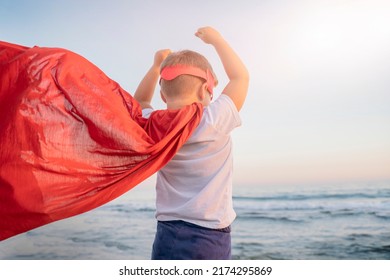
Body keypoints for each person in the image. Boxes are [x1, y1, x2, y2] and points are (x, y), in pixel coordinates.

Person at [134, 26, 249, 260]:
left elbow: (141, 100)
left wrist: (156, 66)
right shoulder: (213, 120)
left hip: (166, 231)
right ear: (206, 89)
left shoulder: (154, 125)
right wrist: (217, 40)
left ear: (164, 97)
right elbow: (241, 77)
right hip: (208, 236)